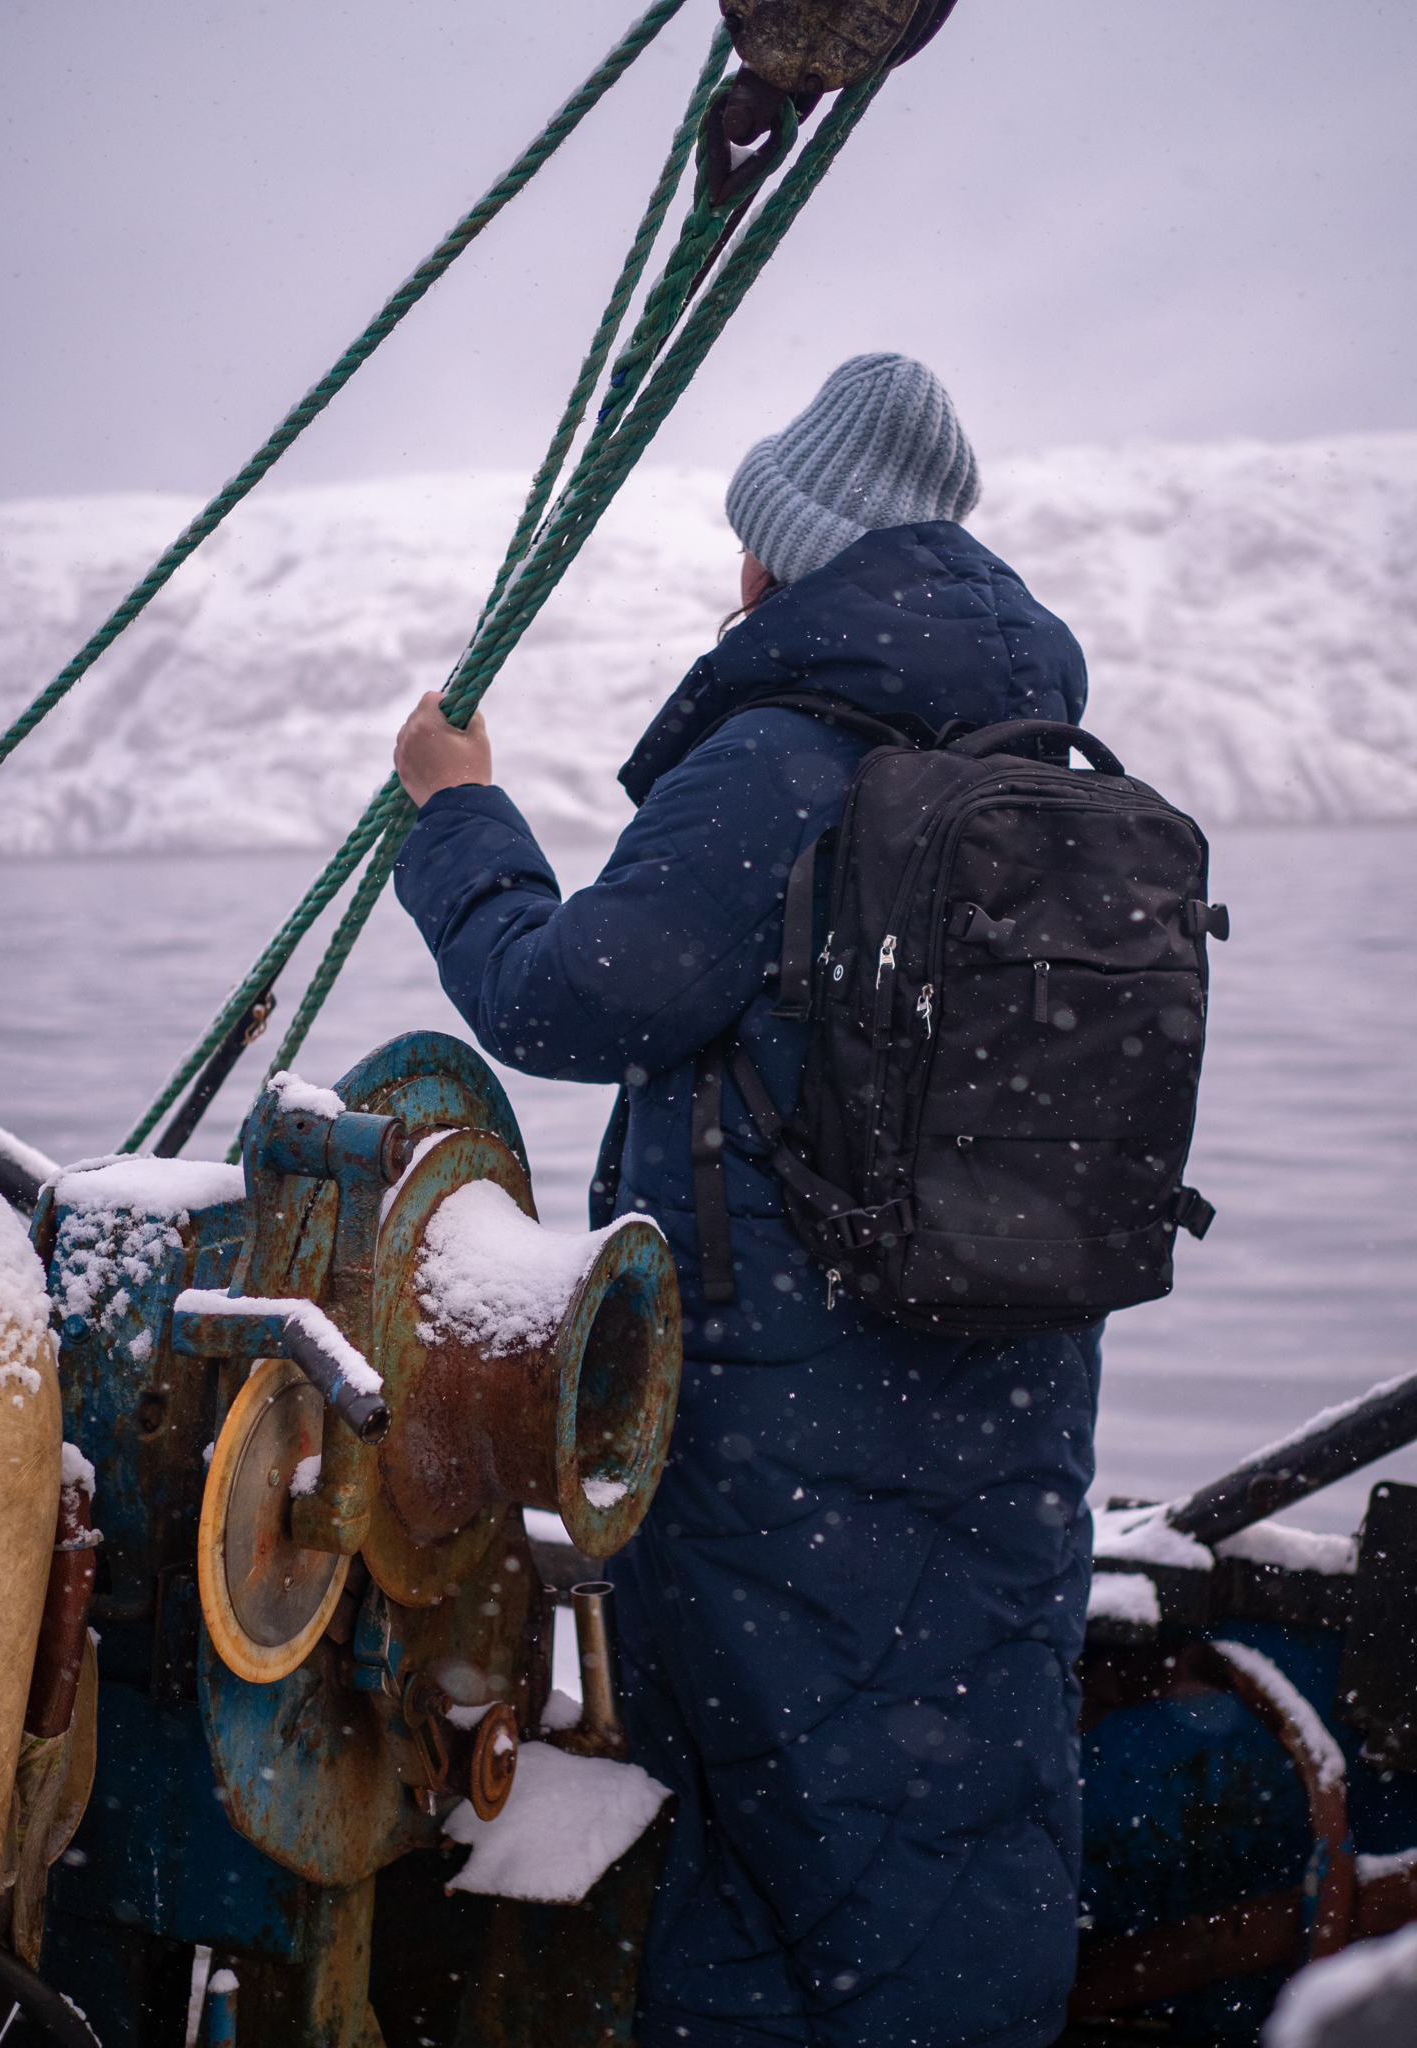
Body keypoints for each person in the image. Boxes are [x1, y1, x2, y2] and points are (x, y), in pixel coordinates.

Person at [393, 354, 1099, 2048]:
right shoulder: (1066, 779)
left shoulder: (788, 760)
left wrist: (453, 811)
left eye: (751, 545)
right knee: (965, 1808)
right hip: (1008, 1406)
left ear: (787, 561)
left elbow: (567, 997)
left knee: (774, 1859)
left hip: (785, 1435)